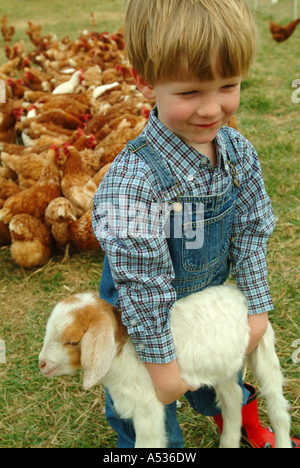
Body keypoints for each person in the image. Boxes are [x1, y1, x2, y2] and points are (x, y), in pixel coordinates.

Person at [92, 0, 299, 448]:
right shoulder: (134, 182)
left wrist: (256, 309)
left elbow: (251, 231)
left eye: (228, 85)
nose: (212, 109)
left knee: (220, 372)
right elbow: (142, 282)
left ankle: (239, 422)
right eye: (190, 93)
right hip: (144, 315)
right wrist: (163, 364)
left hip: (203, 306)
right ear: (145, 82)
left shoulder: (238, 153)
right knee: (145, 399)